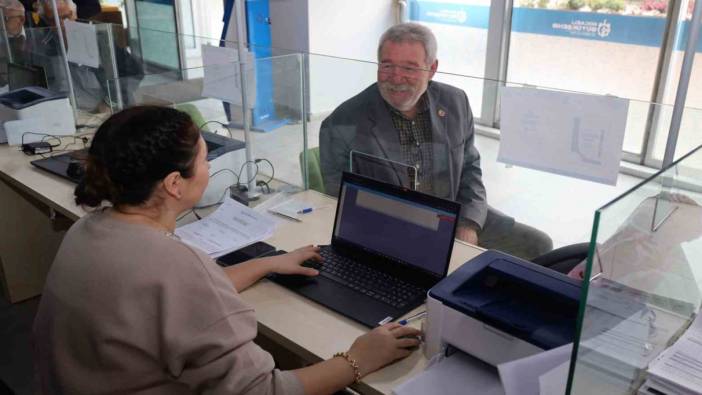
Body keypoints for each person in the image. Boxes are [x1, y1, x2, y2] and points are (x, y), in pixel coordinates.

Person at [33, 106, 421, 394]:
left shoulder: (89, 229)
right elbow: (267, 391)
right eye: (204, 158)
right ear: (174, 184)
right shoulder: (175, 267)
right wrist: (360, 358)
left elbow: (172, 298)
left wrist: (268, 263)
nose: (209, 165)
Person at [319, 22, 552, 260]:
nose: (396, 78)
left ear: (432, 69)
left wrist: (468, 223)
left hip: (453, 214)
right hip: (391, 229)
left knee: (538, 245)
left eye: (410, 68)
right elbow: (341, 204)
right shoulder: (342, 123)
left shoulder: (455, 102)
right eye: (387, 65)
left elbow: (470, 169)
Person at [0, 0, 28, 87]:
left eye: (6, 18)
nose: (1, 23)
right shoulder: (2, 34)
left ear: (22, 20)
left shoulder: (37, 33)